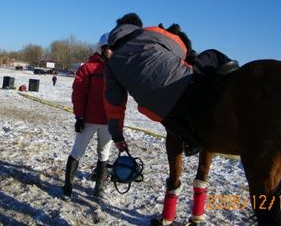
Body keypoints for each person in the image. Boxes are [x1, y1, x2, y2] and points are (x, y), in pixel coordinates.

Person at [104, 13, 232, 156]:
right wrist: (179, 38)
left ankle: (191, 140)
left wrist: (117, 136)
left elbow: (114, 104)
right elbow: (181, 50)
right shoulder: (148, 33)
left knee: (158, 109)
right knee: (213, 55)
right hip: (187, 86)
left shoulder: (110, 65)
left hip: (163, 111)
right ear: (136, 26)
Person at [62, 33, 113, 199]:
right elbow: (78, 94)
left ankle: (99, 188)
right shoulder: (88, 68)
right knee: (77, 152)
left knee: (103, 154)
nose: (113, 52)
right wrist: (79, 117)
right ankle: (68, 186)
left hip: (108, 122)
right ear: (102, 48)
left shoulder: (117, 70)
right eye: (110, 48)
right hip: (89, 120)